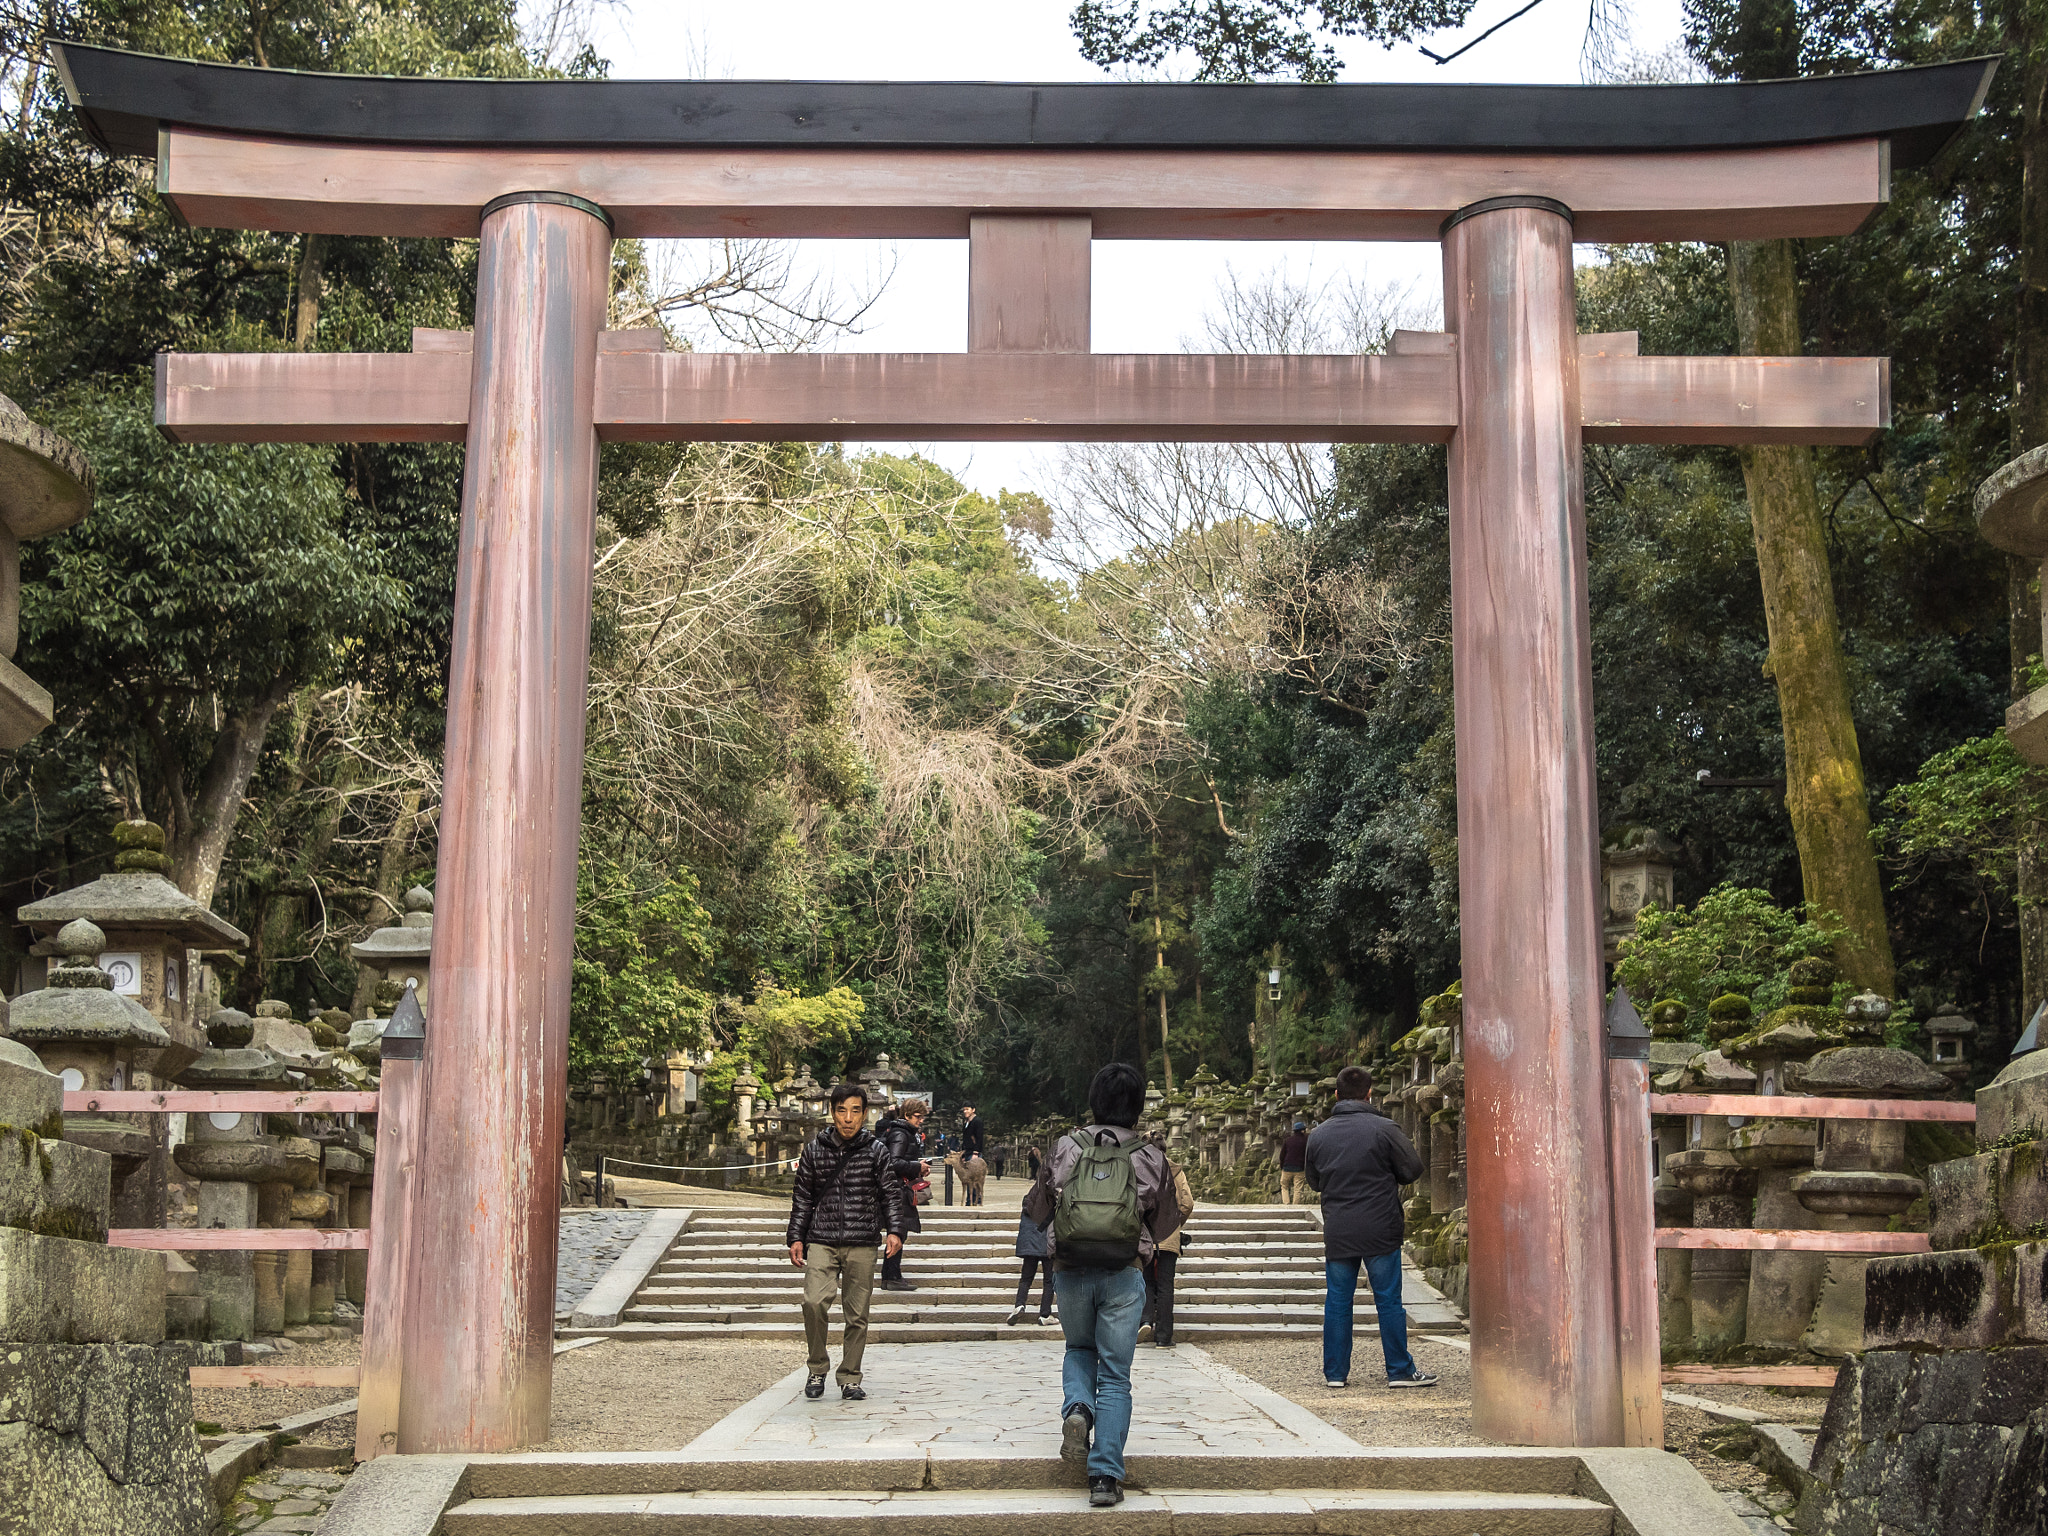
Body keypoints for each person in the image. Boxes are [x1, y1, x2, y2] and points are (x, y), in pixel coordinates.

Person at [1026, 1062, 1181, 1509]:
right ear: (1136, 1105)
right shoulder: (1151, 1155)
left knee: (1078, 1349)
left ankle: (1077, 1409)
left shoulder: (1065, 1147)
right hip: (1124, 1270)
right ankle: (1105, 1478)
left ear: (1093, 1100)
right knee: (1115, 1375)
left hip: (1071, 1268)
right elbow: (1167, 1218)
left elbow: (1037, 1208)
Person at [1306, 1064, 1435, 1391]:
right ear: (1369, 1094)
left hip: (1339, 1228)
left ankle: (1335, 1373)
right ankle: (1399, 1370)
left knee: (1337, 1299)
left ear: (1336, 1095)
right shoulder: (1385, 1128)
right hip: (1380, 1226)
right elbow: (1413, 1168)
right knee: (1388, 1299)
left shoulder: (1319, 1135)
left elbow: (1314, 1181)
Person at [786, 1082, 911, 1401]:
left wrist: (895, 1230)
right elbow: (802, 1197)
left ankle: (850, 1376)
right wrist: (795, 1237)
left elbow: (890, 1195)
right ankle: (817, 1367)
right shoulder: (815, 1150)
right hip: (822, 1239)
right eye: (842, 1110)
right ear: (832, 1113)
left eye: (855, 1111)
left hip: (862, 1240)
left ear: (865, 1114)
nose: (848, 1118)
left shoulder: (876, 1150)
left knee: (857, 1313)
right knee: (813, 1302)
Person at [1139, 1139, 1194, 1348]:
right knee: (1165, 1285)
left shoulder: (1140, 1168)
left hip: (1146, 1234)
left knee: (1145, 1281)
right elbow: (1187, 1203)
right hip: (1169, 1235)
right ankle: (1163, 1336)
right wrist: (1175, 1223)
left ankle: (1144, 1321)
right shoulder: (1176, 1171)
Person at [874, 1098, 930, 1291]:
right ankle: (890, 1275)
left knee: (899, 1231)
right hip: (897, 1190)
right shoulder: (900, 1133)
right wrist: (917, 1166)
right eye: (917, 1116)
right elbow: (893, 1162)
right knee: (898, 1231)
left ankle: (892, 1274)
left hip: (899, 1188)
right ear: (906, 1115)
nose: (920, 1120)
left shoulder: (902, 1132)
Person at [1008, 1188, 1055, 1326]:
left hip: (1029, 1246)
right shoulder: (1051, 1202)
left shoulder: (1028, 1201)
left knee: (1026, 1278)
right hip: (1047, 1245)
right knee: (1049, 1281)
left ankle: (1019, 1305)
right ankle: (1045, 1314)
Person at [959, 1103, 988, 1206]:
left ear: (973, 1110)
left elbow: (979, 1137)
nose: (965, 1111)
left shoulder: (977, 1121)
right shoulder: (967, 1122)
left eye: (967, 1109)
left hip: (974, 1152)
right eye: (964, 1110)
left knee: (975, 1177)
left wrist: (976, 1152)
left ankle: (976, 1200)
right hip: (967, 1151)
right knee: (968, 1177)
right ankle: (970, 1199)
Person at [1278, 1120, 1310, 1205]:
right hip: (1300, 1167)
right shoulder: (1306, 1140)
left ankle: (1286, 1203)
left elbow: (1282, 1154)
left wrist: (1282, 1166)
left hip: (1287, 1167)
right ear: (1302, 1130)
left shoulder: (1288, 1140)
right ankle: (1295, 1205)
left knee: (1284, 1186)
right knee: (1298, 1188)